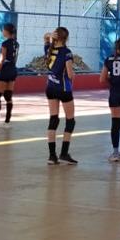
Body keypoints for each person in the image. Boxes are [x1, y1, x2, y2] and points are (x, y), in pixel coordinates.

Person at [44, 28, 78, 166]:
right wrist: (73, 76)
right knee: (70, 121)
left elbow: (45, 37)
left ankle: (52, 156)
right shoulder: (67, 52)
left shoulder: (49, 49)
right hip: (63, 89)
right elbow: (69, 73)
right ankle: (64, 154)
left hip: (50, 88)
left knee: (53, 119)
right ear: (66, 38)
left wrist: (49, 36)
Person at [0, 23, 18, 125]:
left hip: (6, 70)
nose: (2, 32)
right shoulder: (16, 43)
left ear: (7, 31)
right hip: (13, 69)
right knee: (8, 95)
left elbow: (1, 59)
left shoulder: (5, 43)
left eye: (3, 30)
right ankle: (7, 121)